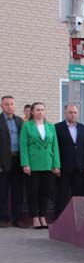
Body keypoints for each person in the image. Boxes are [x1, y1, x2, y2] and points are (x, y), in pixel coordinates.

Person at [19, 102, 60, 229]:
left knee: (45, 192)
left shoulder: (50, 126)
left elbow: (55, 146)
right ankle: (35, 217)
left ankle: (43, 216)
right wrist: (25, 164)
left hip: (48, 163)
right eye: (37, 110)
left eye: (42, 109)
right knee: (33, 192)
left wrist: (56, 164)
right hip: (33, 163)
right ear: (32, 112)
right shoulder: (27, 126)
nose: (40, 112)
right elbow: (23, 146)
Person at [54, 103, 84, 216]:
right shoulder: (57, 128)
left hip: (79, 167)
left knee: (78, 194)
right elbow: (55, 148)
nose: (73, 115)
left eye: (75, 112)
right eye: (70, 112)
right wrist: (56, 166)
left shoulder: (83, 128)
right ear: (65, 113)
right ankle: (59, 217)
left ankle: (78, 217)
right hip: (64, 167)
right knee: (62, 194)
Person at [0, 96, 25, 227]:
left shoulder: (20, 121)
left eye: (11, 104)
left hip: (18, 160)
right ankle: (3, 219)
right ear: (1, 106)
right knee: (2, 191)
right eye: (6, 104)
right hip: (4, 161)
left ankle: (17, 218)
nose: (9, 106)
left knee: (18, 191)